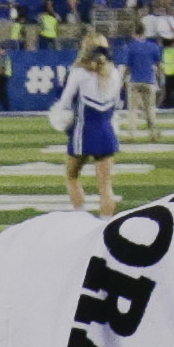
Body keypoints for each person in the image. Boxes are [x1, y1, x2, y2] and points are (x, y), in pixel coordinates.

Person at [57, 32, 124, 218]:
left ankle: (81, 218)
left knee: (71, 177)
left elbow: (64, 102)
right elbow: (118, 104)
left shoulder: (78, 73)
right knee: (105, 186)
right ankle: (104, 226)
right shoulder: (115, 73)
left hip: (83, 132)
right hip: (106, 131)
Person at [124, 22, 162, 142]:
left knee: (132, 110)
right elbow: (159, 65)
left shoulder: (131, 46)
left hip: (135, 80)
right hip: (149, 81)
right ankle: (153, 133)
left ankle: (131, 134)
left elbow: (128, 66)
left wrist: (123, 80)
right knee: (150, 109)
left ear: (134, 32)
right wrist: (160, 79)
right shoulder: (153, 46)